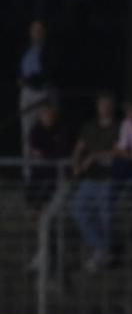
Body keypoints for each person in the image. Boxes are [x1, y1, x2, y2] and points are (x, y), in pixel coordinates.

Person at [70, 93, 119, 272]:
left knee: (105, 216)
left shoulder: (117, 127)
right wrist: (75, 162)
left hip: (107, 178)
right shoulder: (89, 126)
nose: (105, 108)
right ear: (97, 107)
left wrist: (94, 156)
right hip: (90, 178)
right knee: (77, 211)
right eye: (102, 105)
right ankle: (102, 249)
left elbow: (118, 152)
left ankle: (102, 253)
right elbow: (79, 147)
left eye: (108, 105)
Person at [18, 20, 55, 162]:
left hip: (42, 93)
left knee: (43, 129)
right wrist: (21, 79)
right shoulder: (25, 48)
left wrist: (32, 79)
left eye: (39, 30)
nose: (36, 33)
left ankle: (43, 169)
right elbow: (19, 67)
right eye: (33, 30)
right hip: (27, 92)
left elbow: (49, 71)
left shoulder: (49, 49)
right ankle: (27, 173)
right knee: (27, 132)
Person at [25, 102, 69, 211]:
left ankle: (45, 215)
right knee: (33, 193)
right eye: (45, 115)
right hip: (39, 170)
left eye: (51, 115)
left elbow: (62, 150)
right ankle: (35, 212)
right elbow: (34, 149)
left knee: (50, 194)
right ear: (40, 117)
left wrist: (45, 154)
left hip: (55, 171)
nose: (48, 118)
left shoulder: (61, 129)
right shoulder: (35, 130)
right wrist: (43, 154)